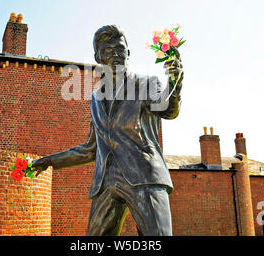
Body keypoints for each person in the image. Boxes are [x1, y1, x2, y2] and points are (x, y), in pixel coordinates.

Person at [32, 25, 183, 236]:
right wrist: (48, 161)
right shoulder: (95, 98)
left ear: (128, 52)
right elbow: (90, 149)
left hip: (145, 177)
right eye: (108, 50)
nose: (116, 54)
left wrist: (175, 82)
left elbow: (167, 109)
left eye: (120, 49)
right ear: (98, 56)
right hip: (106, 184)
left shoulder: (146, 84)